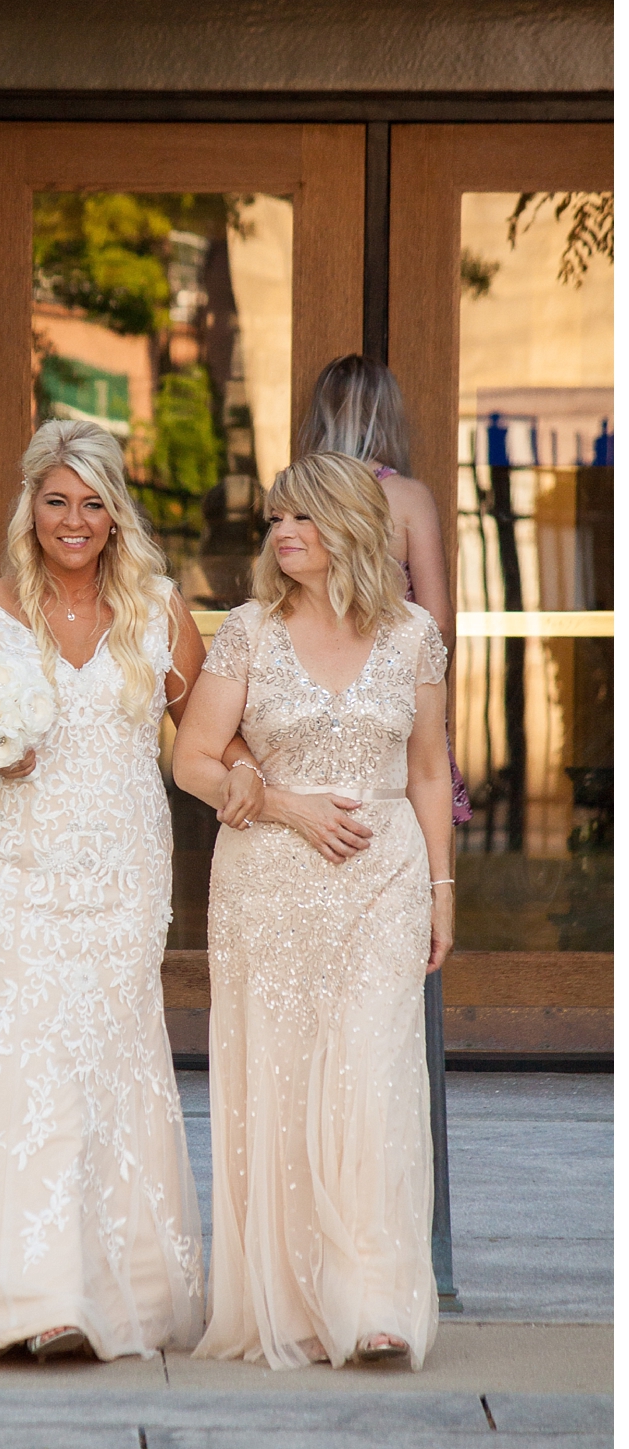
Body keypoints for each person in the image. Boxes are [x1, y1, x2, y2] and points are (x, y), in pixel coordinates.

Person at [0, 420, 215, 1364]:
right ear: (30, 505)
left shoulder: (158, 611)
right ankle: (28, 1293)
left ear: (115, 514)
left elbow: (203, 740)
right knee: (22, 1050)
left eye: (92, 502)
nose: (73, 519)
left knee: (110, 1060)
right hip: (9, 866)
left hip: (123, 869)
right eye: (56, 499)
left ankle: (116, 1291)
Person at [173, 452, 454, 1370]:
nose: (282, 534)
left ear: (351, 528)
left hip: (384, 878)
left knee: (371, 1079)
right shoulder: (248, 631)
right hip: (268, 883)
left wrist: (442, 889)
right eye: (275, 520)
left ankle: (373, 1305)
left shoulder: (411, 633)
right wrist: (284, 803)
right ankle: (292, 1301)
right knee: (285, 1086)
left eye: (302, 518)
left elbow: (425, 771)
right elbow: (193, 759)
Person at [297, 354, 471, 1297]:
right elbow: (436, 621)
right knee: (400, 1022)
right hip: (395, 752)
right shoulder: (406, 499)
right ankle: (419, 1261)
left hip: (309, 765)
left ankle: (309, 1244)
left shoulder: (296, 500)